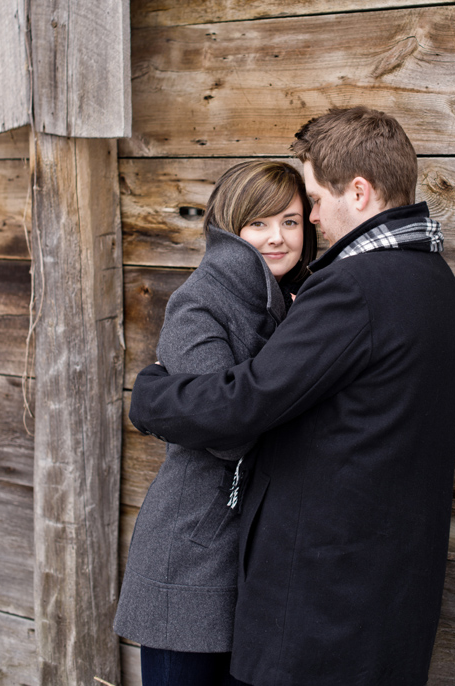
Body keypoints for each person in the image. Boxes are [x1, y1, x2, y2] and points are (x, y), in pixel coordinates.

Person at [129, 107, 455, 686]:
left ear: (357, 192)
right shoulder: (437, 284)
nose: (309, 219)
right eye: (264, 222)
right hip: (386, 588)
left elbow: (246, 403)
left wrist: (151, 393)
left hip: (326, 597)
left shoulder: (354, 288)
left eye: (308, 203)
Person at [114, 161, 316, 686]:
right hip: (192, 552)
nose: (278, 238)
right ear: (230, 227)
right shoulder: (199, 303)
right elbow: (227, 431)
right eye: (260, 224)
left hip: (249, 555)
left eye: (291, 222)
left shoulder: (298, 300)